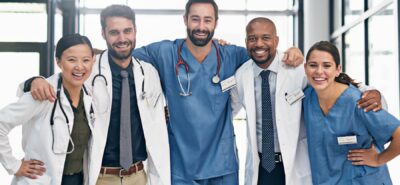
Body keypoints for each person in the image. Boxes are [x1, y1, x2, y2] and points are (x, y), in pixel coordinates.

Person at [23, 5, 170, 185]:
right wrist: (34, 81)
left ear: (135, 31)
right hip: (101, 176)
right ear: (103, 34)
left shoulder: (148, 73)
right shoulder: (89, 70)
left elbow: (155, 123)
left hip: (139, 175)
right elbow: (51, 83)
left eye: (127, 31)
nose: (122, 38)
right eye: (114, 32)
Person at [231, 17, 384, 185]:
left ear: (276, 40)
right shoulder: (241, 76)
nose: (259, 43)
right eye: (252, 38)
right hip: (260, 168)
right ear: (246, 41)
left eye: (266, 37)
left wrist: (370, 92)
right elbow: (226, 111)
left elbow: (333, 83)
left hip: (296, 166)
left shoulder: (296, 68)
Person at [0, 34, 100, 185]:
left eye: (86, 60)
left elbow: (119, 54)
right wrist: (14, 165)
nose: (79, 66)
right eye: (71, 60)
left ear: (93, 61)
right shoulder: (43, 94)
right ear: (58, 62)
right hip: (42, 180)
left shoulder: (89, 94)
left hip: (77, 179)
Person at [303, 41, 400, 184]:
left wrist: (379, 159)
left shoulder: (358, 102)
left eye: (327, 65)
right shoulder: (306, 99)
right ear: (305, 68)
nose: (319, 71)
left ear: (338, 69)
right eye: (313, 65)